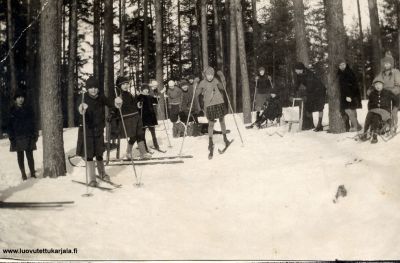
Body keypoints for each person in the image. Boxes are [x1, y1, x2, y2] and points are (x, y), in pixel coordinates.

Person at [77, 76, 119, 186]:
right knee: (89, 154)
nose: (93, 90)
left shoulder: (101, 97)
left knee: (99, 152)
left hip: (99, 129)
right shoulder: (83, 98)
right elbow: (78, 110)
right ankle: (92, 179)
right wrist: (81, 109)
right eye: (91, 87)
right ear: (87, 88)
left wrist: (113, 111)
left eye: (95, 87)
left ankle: (102, 173)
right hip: (87, 130)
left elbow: (112, 105)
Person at [196, 66, 231, 159]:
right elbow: (196, 93)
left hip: (219, 103)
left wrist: (222, 76)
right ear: (205, 75)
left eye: (211, 74)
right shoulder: (202, 83)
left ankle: (225, 139)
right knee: (211, 124)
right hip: (209, 105)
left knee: (222, 121)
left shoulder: (216, 80)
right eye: (208, 75)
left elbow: (223, 87)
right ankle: (210, 142)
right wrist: (196, 84)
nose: (210, 76)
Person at [114, 76, 152, 160]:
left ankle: (142, 153)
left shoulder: (129, 94)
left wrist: (138, 105)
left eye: (127, 84)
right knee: (134, 136)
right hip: (127, 118)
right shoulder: (118, 95)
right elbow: (116, 108)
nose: (125, 86)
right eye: (123, 84)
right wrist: (117, 105)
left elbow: (134, 103)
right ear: (119, 85)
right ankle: (129, 152)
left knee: (140, 134)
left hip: (136, 116)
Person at [8, 88, 38, 181]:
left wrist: (35, 134)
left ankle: (32, 173)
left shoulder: (29, 109)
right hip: (17, 137)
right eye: (18, 97)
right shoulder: (12, 110)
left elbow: (33, 122)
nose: (21, 99)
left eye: (22, 97)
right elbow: (9, 126)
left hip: (28, 135)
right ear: (15, 99)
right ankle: (23, 174)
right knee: (20, 156)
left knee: (30, 155)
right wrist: (11, 137)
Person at [360, 77, 399, 143]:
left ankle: (375, 136)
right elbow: (369, 104)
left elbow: (397, 100)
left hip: (385, 111)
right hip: (374, 110)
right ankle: (365, 133)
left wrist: (395, 108)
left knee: (376, 116)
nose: (378, 86)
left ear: (382, 85)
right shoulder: (372, 93)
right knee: (369, 115)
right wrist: (371, 110)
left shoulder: (388, 92)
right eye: (376, 85)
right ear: (374, 86)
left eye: (379, 84)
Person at [293, 62, 326, 131]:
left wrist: (306, 95)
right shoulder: (299, 74)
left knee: (320, 107)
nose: (295, 71)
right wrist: (293, 93)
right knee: (309, 107)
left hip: (319, 90)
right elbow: (297, 85)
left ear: (300, 69)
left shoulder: (309, 74)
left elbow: (310, 86)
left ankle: (319, 125)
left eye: (296, 69)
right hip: (312, 91)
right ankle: (310, 124)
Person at [372, 53, 400, 130]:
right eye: (385, 64)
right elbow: (376, 81)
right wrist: (372, 87)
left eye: (388, 63)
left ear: (391, 64)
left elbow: (398, 84)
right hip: (385, 95)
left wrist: (391, 91)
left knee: (394, 112)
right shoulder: (382, 73)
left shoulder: (395, 72)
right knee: (385, 111)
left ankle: (394, 126)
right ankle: (385, 125)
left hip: (395, 94)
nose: (386, 65)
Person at [337, 61, 362, 132]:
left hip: (351, 95)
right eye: (340, 65)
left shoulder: (349, 73)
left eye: (343, 64)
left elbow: (354, 85)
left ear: (346, 64)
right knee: (352, 110)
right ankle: (358, 126)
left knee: (349, 110)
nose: (342, 66)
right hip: (346, 95)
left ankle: (356, 127)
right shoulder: (340, 73)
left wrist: (350, 96)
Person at [137, 83, 160, 151]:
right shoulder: (139, 96)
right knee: (143, 134)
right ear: (142, 90)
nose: (146, 90)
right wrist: (139, 104)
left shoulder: (149, 96)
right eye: (144, 89)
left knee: (153, 133)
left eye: (147, 89)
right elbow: (137, 104)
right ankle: (145, 148)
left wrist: (157, 97)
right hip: (143, 118)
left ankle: (156, 146)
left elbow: (156, 101)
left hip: (151, 117)